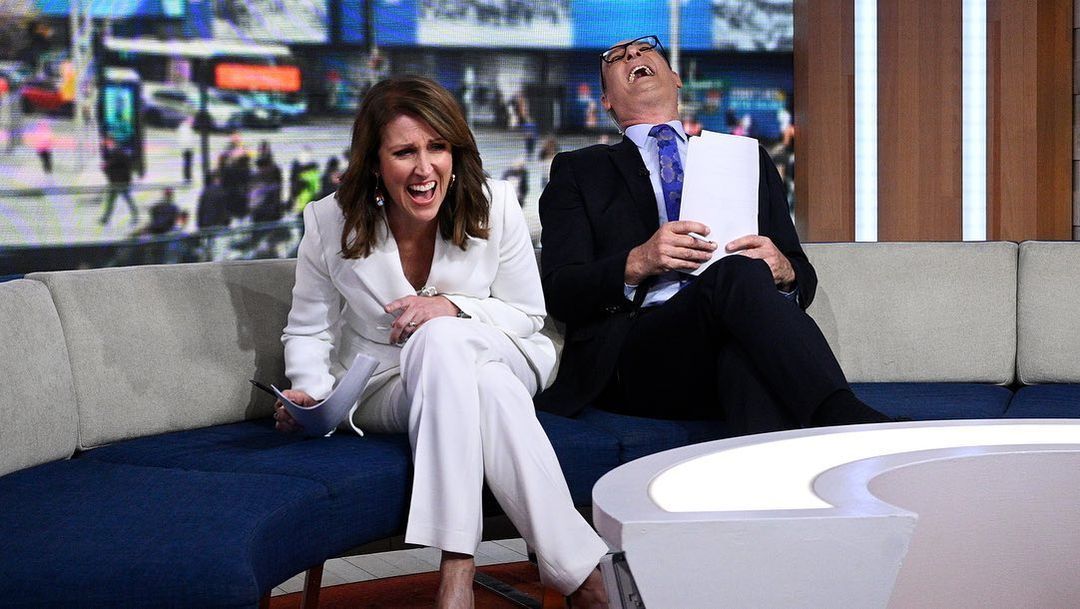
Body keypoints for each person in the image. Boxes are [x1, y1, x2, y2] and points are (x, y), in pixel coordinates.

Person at [275, 76, 609, 609]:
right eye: (404, 152)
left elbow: (527, 316)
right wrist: (310, 394)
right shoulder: (329, 220)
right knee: (486, 387)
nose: (425, 168)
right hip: (387, 384)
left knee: (443, 338)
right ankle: (582, 575)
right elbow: (310, 327)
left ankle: (456, 572)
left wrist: (453, 307)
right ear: (375, 162)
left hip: (502, 348)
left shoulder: (497, 204)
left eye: (437, 147)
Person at [535, 35, 891, 434]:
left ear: (676, 78)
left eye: (645, 49)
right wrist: (638, 262)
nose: (633, 53)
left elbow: (801, 277)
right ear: (606, 101)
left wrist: (784, 270)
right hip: (640, 356)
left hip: (729, 340)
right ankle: (842, 416)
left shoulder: (746, 158)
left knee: (743, 357)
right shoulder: (579, 170)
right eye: (616, 57)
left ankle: (780, 469)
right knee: (736, 277)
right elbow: (561, 289)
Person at [100, 136, 138, 225]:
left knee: (127, 199)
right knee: (112, 200)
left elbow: (119, 164)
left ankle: (135, 216)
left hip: (120, 181)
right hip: (115, 181)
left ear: (112, 142)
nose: (107, 145)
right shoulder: (114, 152)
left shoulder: (118, 152)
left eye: (108, 143)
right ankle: (106, 218)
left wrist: (106, 166)